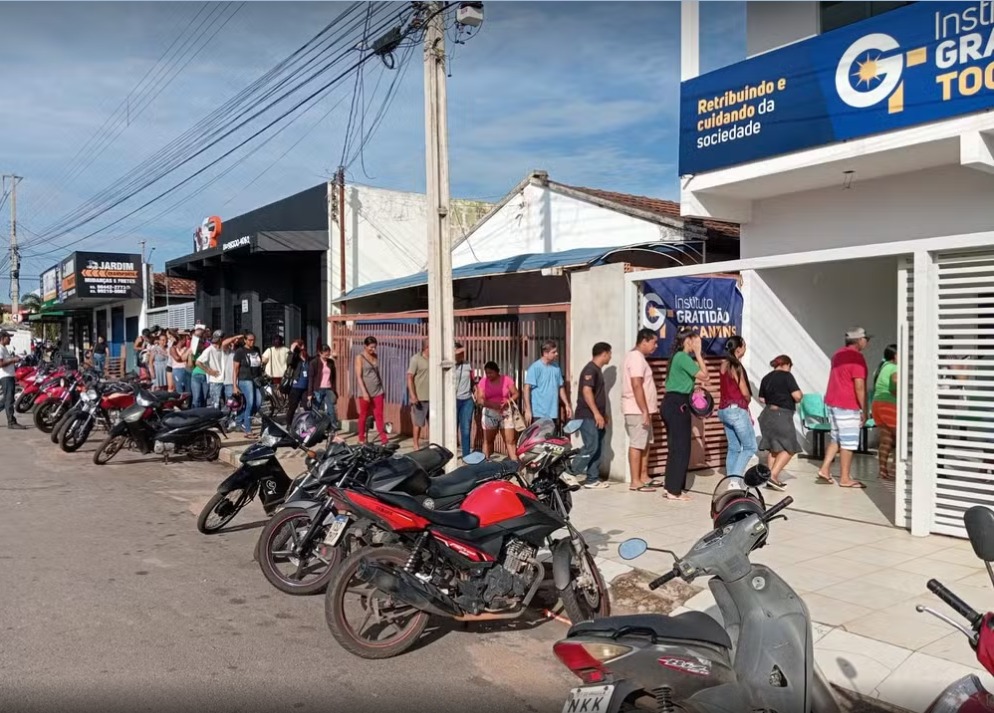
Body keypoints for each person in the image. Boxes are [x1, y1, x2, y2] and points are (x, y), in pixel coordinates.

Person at [817, 327, 871, 488]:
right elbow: (859, 385)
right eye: (865, 339)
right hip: (848, 405)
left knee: (837, 438)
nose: (867, 342)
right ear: (859, 340)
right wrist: (864, 409)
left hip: (832, 402)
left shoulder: (837, 355)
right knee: (848, 442)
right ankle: (845, 478)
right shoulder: (857, 358)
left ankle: (825, 468)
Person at [661, 327, 710, 501]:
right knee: (681, 449)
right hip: (677, 405)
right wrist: (698, 353)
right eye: (695, 341)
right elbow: (705, 376)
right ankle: (674, 491)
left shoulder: (677, 357)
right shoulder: (682, 357)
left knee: (675, 448)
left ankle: (671, 487)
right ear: (687, 341)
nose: (698, 343)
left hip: (672, 403)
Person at [757, 355, 803, 490]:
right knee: (790, 447)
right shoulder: (787, 376)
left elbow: (761, 399)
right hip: (781, 415)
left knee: (774, 449)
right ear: (787, 364)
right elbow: (797, 396)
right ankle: (773, 475)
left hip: (767, 415)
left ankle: (772, 480)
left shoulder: (766, 377)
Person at [622, 329, 659, 493]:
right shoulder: (636, 358)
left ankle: (644, 476)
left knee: (645, 443)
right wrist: (644, 410)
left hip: (644, 410)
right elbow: (636, 384)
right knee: (637, 444)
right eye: (653, 342)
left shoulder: (639, 358)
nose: (655, 346)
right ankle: (635, 481)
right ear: (644, 341)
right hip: (637, 410)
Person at [572, 342, 612, 489]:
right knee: (591, 446)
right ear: (604, 353)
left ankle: (592, 479)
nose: (611, 357)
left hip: (596, 416)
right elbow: (587, 391)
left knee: (597, 446)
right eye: (610, 353)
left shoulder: (597, 370)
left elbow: (597, 395)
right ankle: (570, 473)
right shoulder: (590, 369)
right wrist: (596, 413)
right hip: (587, 415)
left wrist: (603, 414)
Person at [716, 336, 757, 479]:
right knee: (750, 447)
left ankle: (730, 480)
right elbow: (745, 392)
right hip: (736, 409)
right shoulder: (736, 366)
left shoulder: (723, 364)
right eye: (744, 345)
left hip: (724, 409)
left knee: (733, 448)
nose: (745, 348)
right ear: (739, 349)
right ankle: (735, 480)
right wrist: (748, 399)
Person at [476, 361, 520, 460]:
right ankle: (486, 463)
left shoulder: (507, 380)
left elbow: (516, 393)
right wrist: (492, 405)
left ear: (497, 372)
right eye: (487, 373)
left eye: (491, 373)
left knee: (510, 440)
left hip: (505, 412)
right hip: (490, 413)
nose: (489, 375)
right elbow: (480, 399)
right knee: (488, 440)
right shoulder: (483, 382)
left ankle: (514, 464)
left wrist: (508, 401)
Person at [523, 341, 571, 428]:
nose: (556, 354)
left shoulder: (556, 368)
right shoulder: (535, 368)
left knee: (550, 439)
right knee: (539, 440)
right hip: (538, 414)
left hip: (553, 414)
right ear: (545, 353)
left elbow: (560, 387)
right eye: (554, 352)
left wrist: (567, 404)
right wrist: (528, 410)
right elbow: (526, 388)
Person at [871, 344, 898, 481]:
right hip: (889, 405)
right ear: (895, 355)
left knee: (885, 440)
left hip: (877, 404)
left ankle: (882, 470)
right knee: (901, 440)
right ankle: (895, 471)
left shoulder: (881, 367)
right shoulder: (895, 367)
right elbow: (895, 383)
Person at [355, 336, 388, 445]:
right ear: (365, 346)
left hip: (378, 390)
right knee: (363, 415)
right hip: (365, 392)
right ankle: (361, 437)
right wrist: (364, 392)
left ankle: (383, 437)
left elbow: (377, 373)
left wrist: (382, 388)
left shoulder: (375, 356)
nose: (373, 350)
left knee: (379, 415)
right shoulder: (359, 358)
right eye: (371, 347)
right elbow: (359, 376)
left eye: (374, 347)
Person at [198, 330, 240, 409]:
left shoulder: (228, 350)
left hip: (228, 380)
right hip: (216, 380)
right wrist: (209, 371)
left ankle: (227, 419)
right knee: (216, 404)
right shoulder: (212, 349)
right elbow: (198, 362)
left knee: (229, 403)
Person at [232, 332, 263, 438]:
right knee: (250, 403)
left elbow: (260, 363)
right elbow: (235, 369)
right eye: (249, 340)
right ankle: (248, 430)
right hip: (245, 379)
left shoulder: (257, 350)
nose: (252, 342)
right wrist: (234, 385)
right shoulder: (240, 351)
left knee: (258, 402)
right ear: (245, 340)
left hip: (256, 379)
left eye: (253, 339)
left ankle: (240, 421)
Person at [308, 344, 339, 432]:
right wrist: (310, 393)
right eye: (325, 354)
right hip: (318, 389)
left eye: (328, 354)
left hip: (328, 389)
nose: (327, 356)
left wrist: (334, 390)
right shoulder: (314, 363)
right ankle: (311, 426)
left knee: (331, 409)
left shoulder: (331, 362)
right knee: (315, 409)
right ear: (320, 353)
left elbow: (334, 377)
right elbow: (310, 378)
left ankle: (333, 427)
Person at [407, 339, 431, 449]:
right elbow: (409, 377)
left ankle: (433, 444)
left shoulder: (435, 358)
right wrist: (413, 395)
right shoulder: (416, 359)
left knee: (433, 424)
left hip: (433, 396)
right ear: (426, 348)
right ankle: (416, 445)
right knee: (418, 423)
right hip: (420, 397)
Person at [454, 342, 475, 458]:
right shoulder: (450, 364)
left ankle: (466, 455)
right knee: (452, 429)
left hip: (467, 400)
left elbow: (472, 380)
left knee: (466, 428)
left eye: (463, 353)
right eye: (459, 353)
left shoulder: (467, 364)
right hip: (453, 401)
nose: (462, 355)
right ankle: (450, 453)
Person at [0, 331, 25, 429]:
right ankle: (11, 422)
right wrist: (13, 360)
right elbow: (1, 364)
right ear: (2, 338)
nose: (10, 339)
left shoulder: (4, 348)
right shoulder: (0, 349)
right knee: (9, 400)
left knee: (5, 400)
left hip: (8, 376)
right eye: (8, 337)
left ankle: (11, 421)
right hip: (5, 377)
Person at [284, 342, 311, 425]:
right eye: (301, 349)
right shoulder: (295, 360)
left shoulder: (309, 360)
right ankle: (288, 425)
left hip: (305, 388)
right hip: (295, 387)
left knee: (307, 407)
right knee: (292, 407)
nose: (303, 351)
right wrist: (292, 350)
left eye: (304, 349)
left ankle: (309, 424)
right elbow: (289, 362)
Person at [187, 325, 210, 408]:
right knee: (196, 398)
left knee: (204, 398)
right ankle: (195, 415)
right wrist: (190, 355)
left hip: (206, 375)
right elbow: (190, 365)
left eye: (200, 336)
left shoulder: (208, 346)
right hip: (196, 374)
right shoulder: (193, 349)